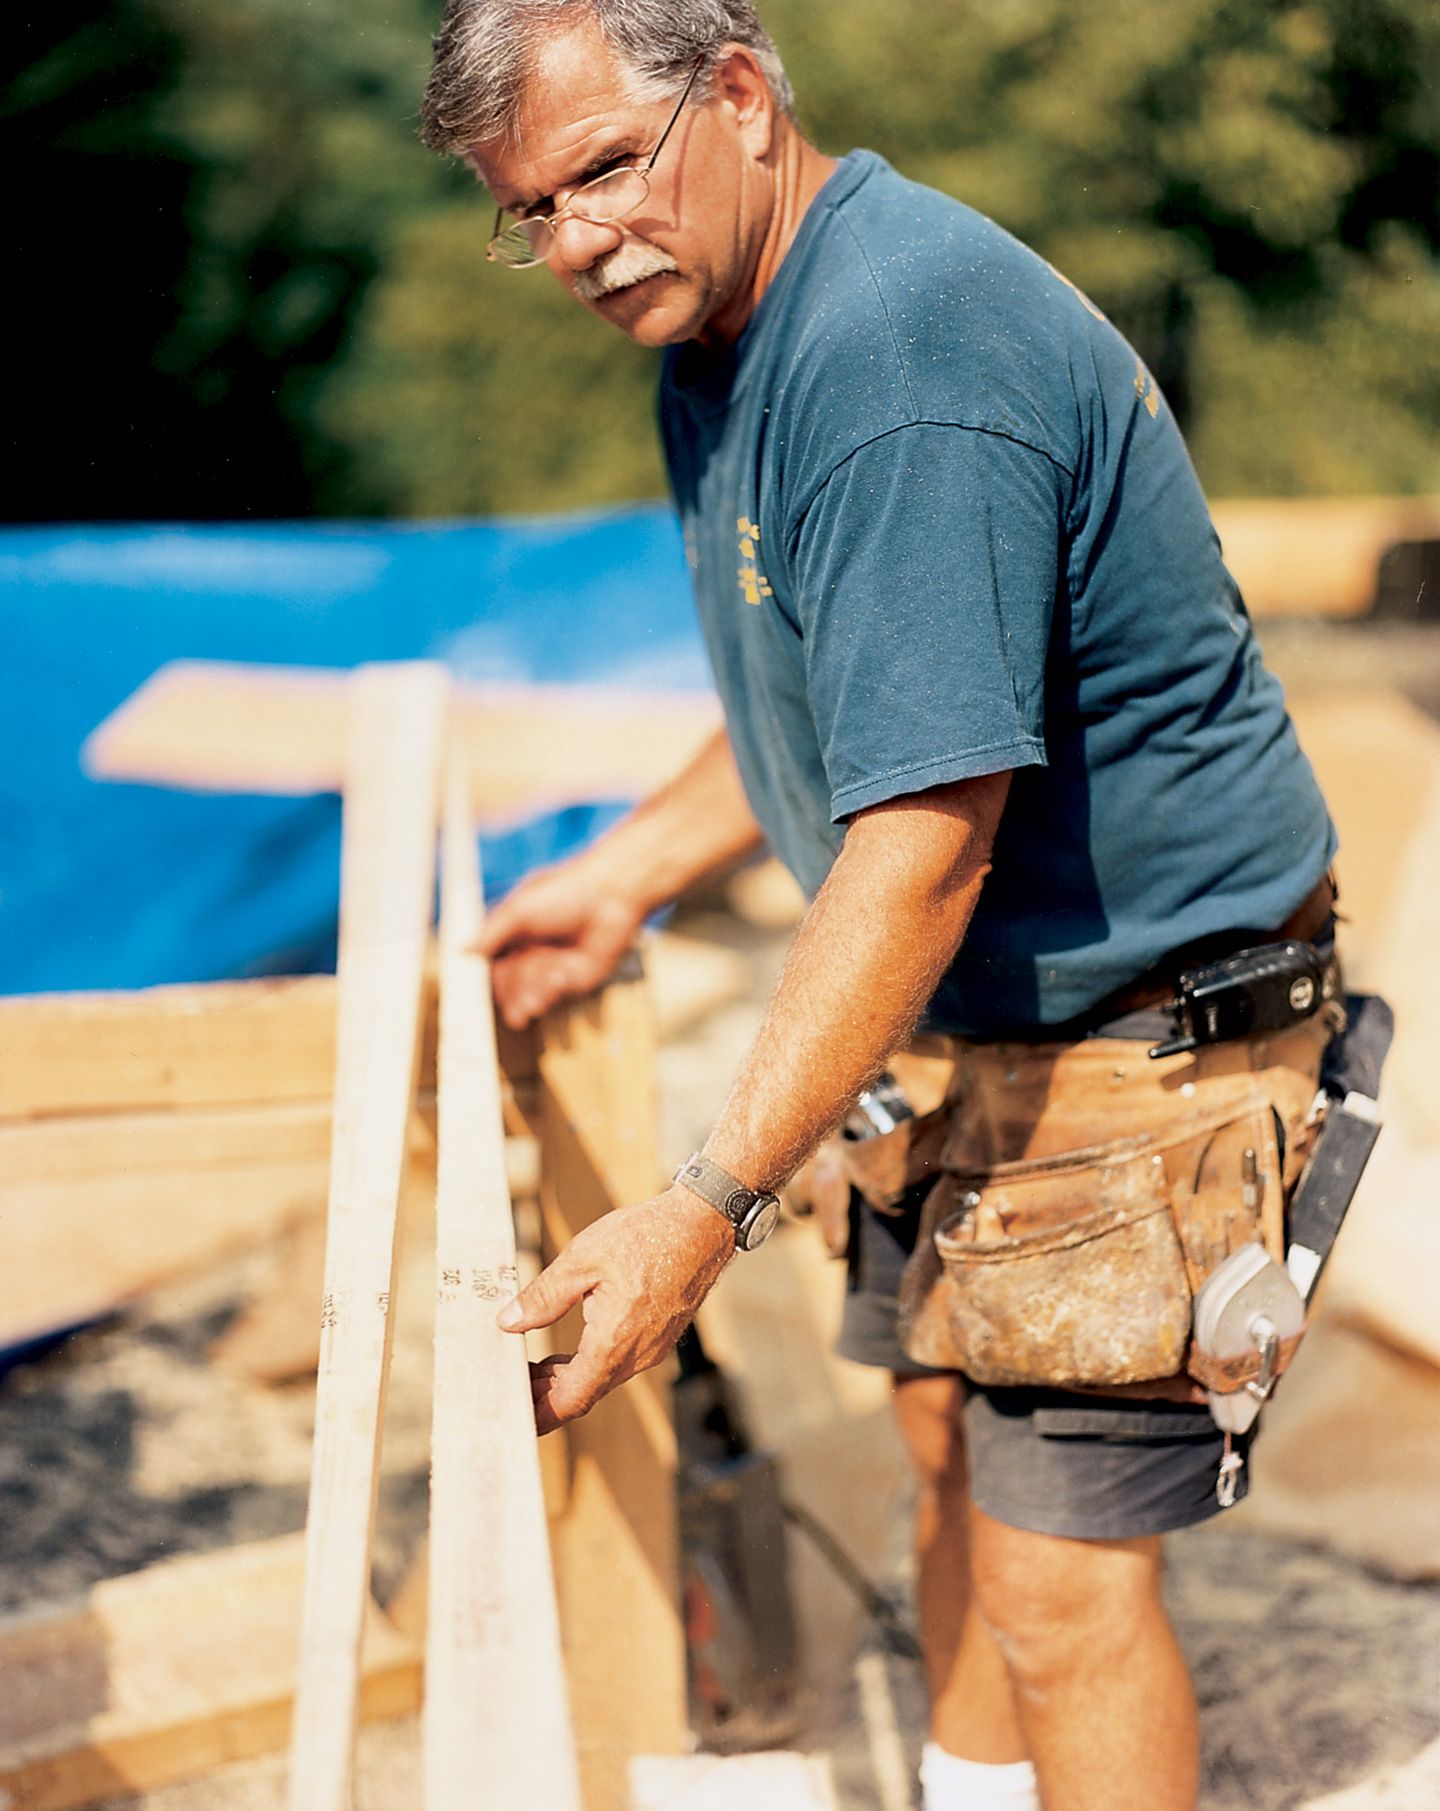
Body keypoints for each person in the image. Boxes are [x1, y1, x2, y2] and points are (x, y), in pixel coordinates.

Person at [420, 7, 1340, 1809]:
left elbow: (922, 839)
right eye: (533, 210)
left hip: (1146, 1030)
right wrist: (621, 877)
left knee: (1061, 1591)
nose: (580, 243)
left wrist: (698, 1216)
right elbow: (842, 700)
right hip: (977, 1017)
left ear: (744, 95)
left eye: (606, 167)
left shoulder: (899, 355)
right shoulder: (721, 321)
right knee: (945, 1451)